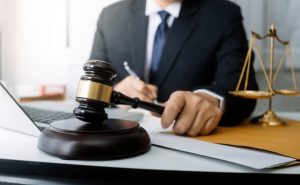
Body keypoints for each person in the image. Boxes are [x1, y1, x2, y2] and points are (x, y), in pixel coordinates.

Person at [90, 0, 258, 136]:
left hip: (190, 144)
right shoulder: (110, 16)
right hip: (118, 138)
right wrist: (115, 92)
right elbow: (90, 84)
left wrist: (210, 99)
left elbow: (243, 89)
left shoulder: (224, 15)